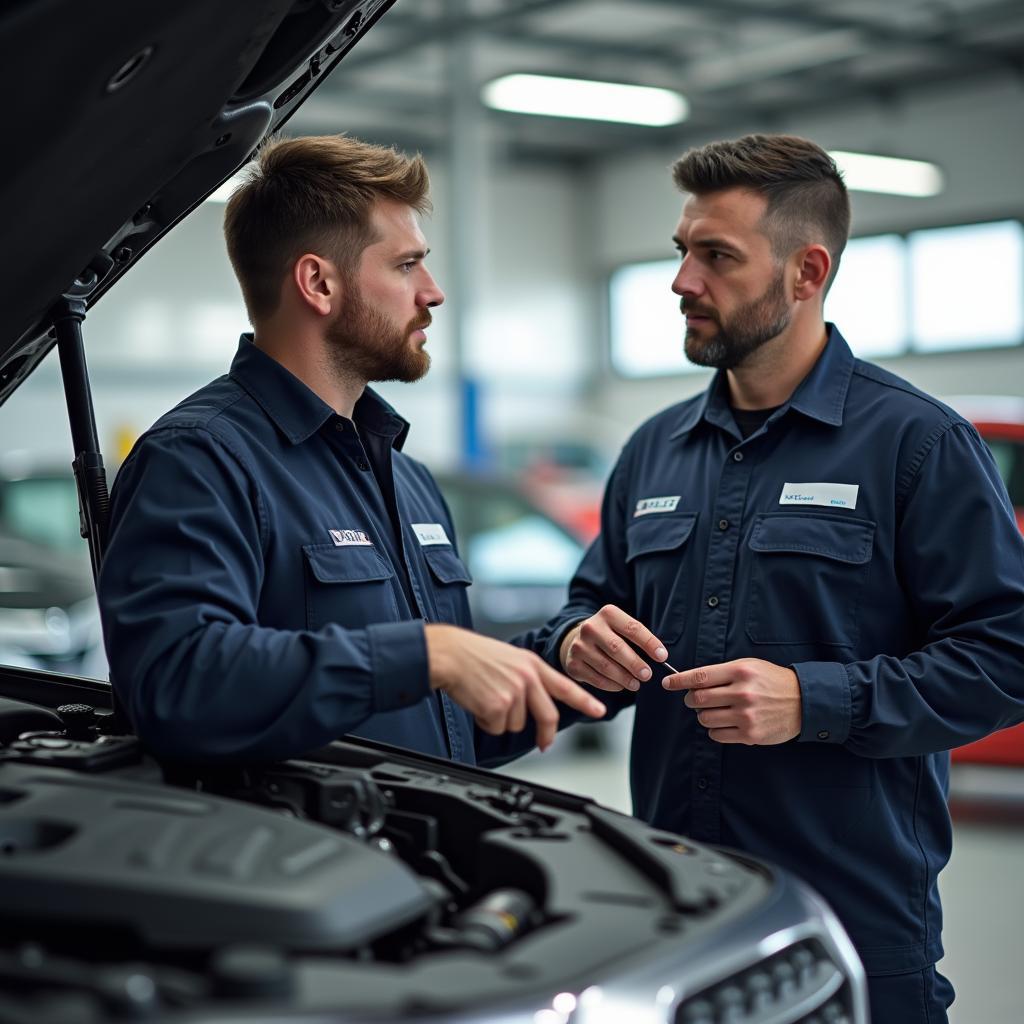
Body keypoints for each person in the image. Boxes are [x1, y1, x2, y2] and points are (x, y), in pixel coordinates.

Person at [496, 134, 1024, 1022]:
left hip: (853, 925)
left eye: (717, 257)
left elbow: (1007, 656)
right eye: (681, 253)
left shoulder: (917, 445)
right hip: (679, 914)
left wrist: (813, 700)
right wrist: (576, 639)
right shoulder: (654, 450)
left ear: (805, 272)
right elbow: (592, 605)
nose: (682, 283)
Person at [97, 134, 605, 766]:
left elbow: (449, 726)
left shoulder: (406, 476)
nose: (433, 292)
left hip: (413, 855)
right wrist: (428, 654)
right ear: (318, 283)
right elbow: (181, 684)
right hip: (296, 858)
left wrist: (570, 661)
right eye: (405, 265)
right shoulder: (200, 461)